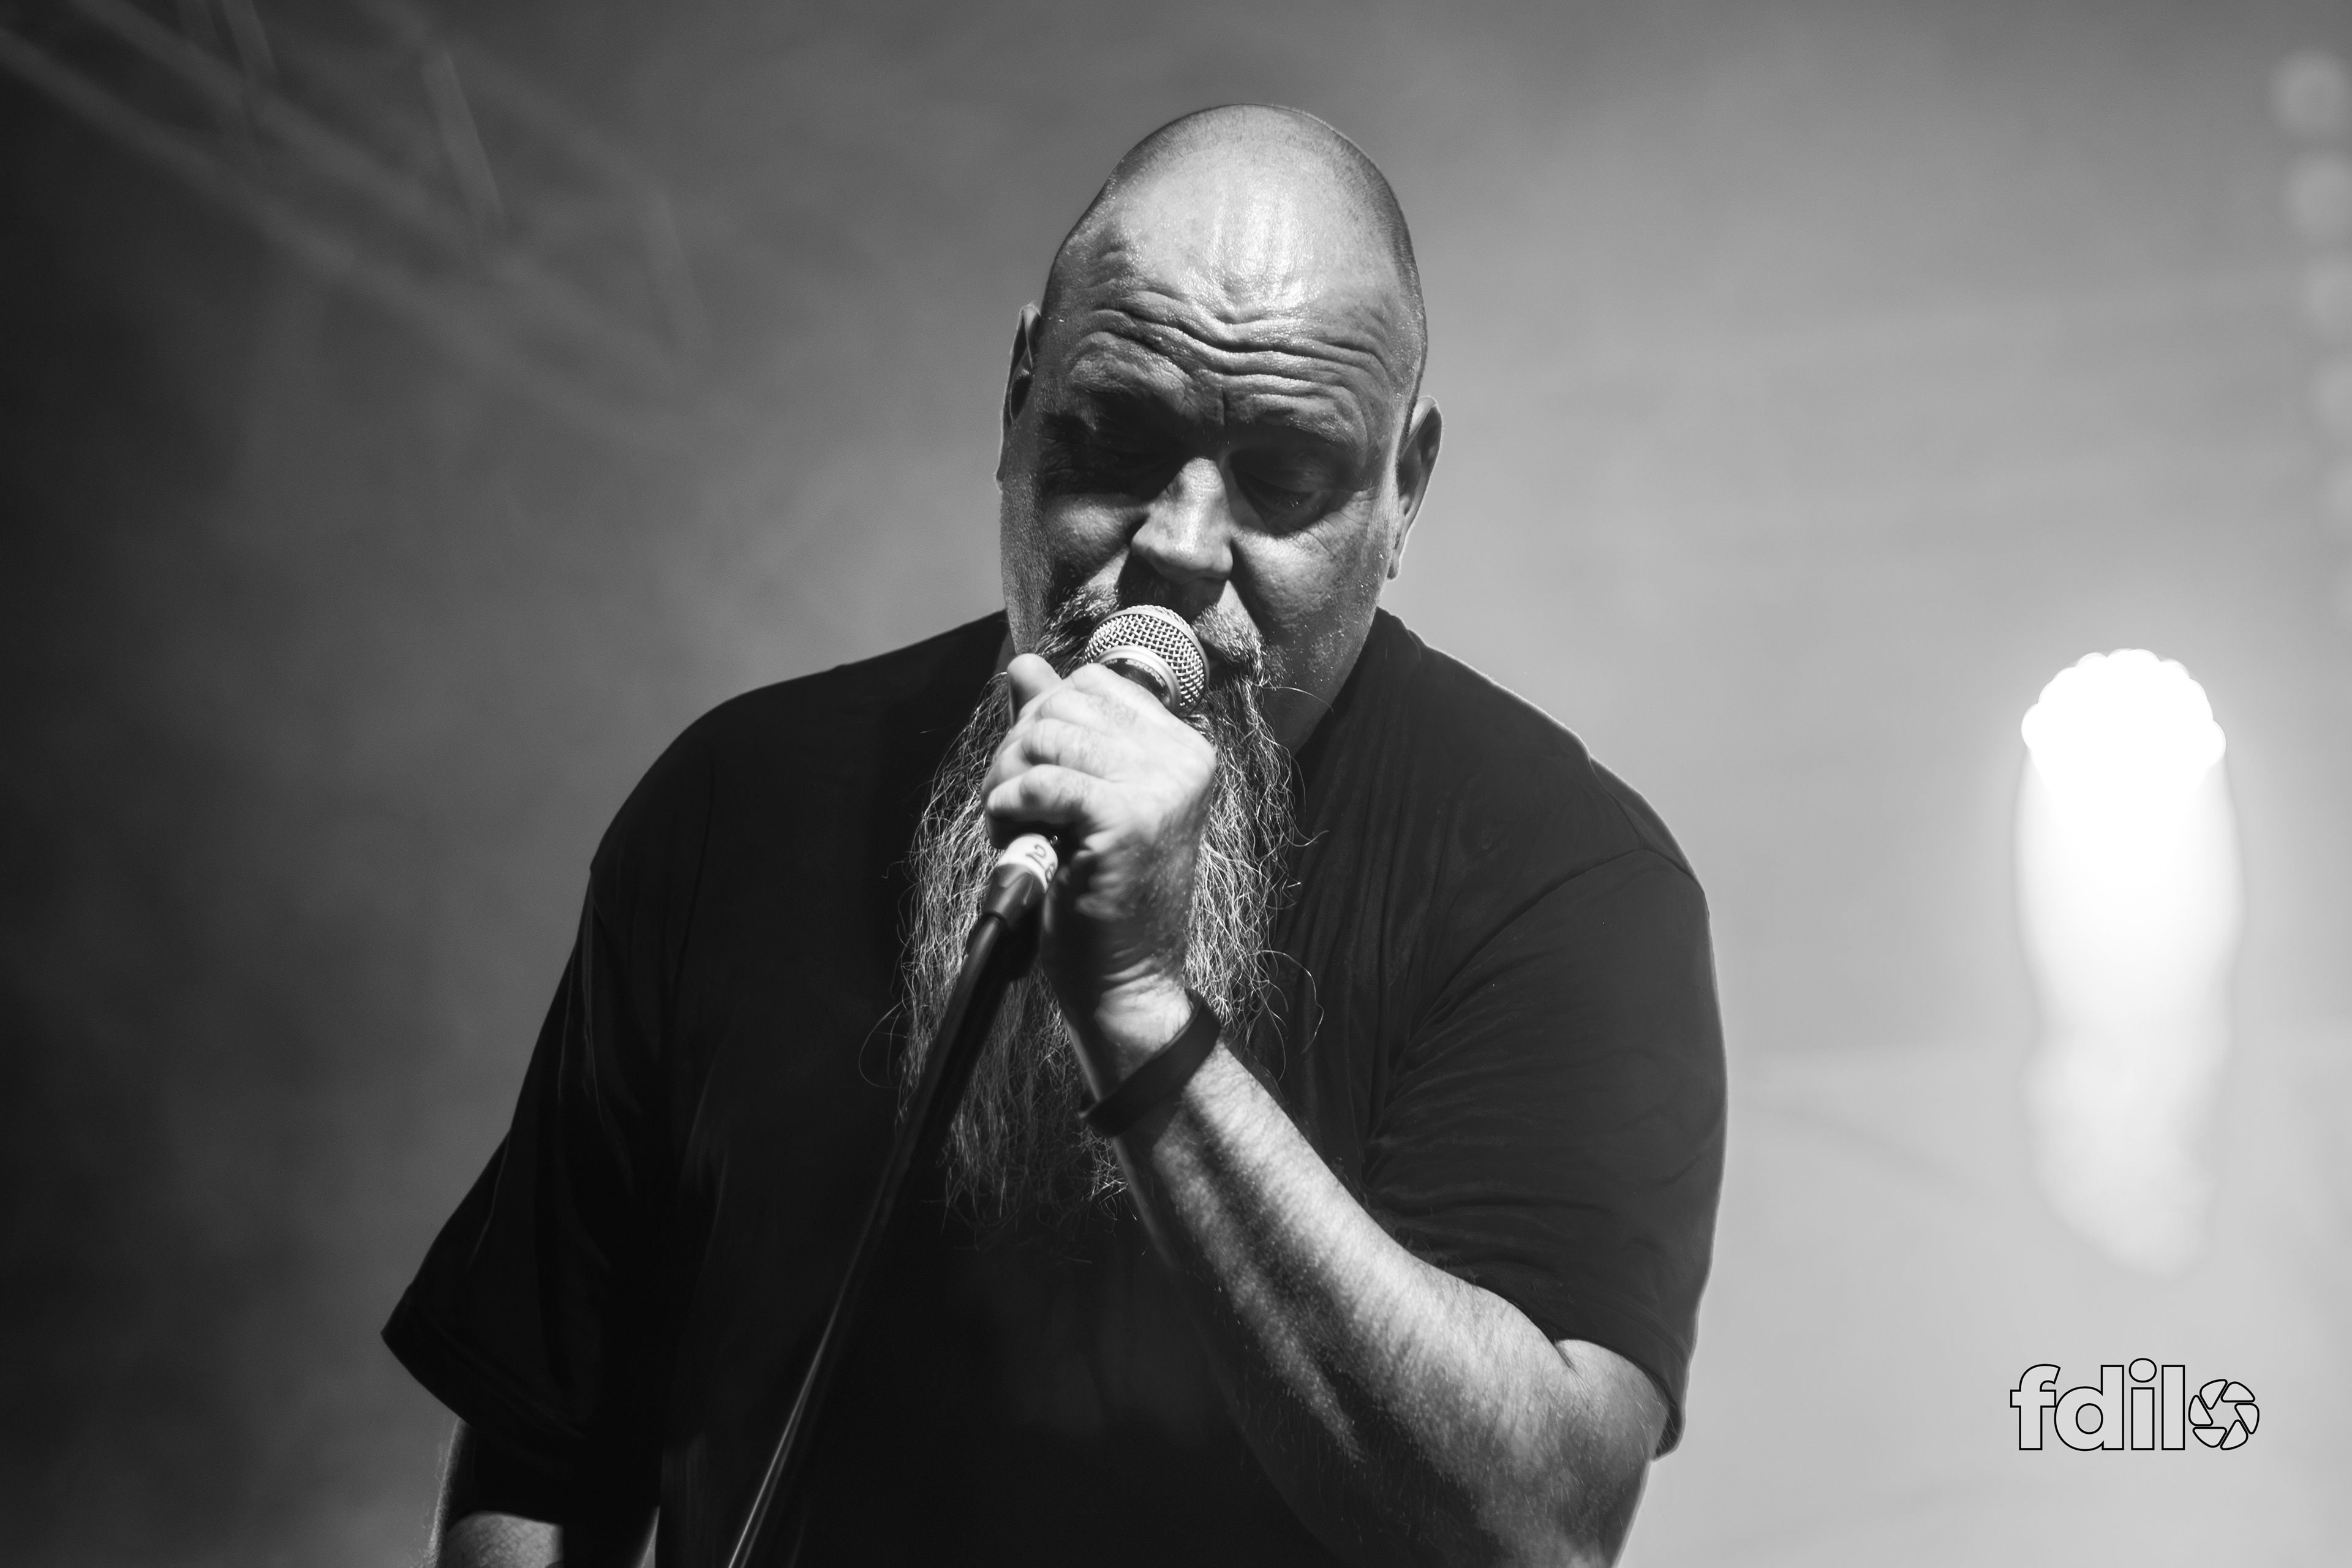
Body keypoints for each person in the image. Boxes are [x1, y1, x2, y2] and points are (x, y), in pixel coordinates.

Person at [387, 104, 1725, 1568]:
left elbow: (1538, 1525)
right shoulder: (731, 802)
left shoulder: (1565, 881)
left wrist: (1140, 1010)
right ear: (1020, 394)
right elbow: (544, 1443)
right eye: (1120, 440)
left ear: (1405, 489)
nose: (1179, 547)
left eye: (1285, 476)